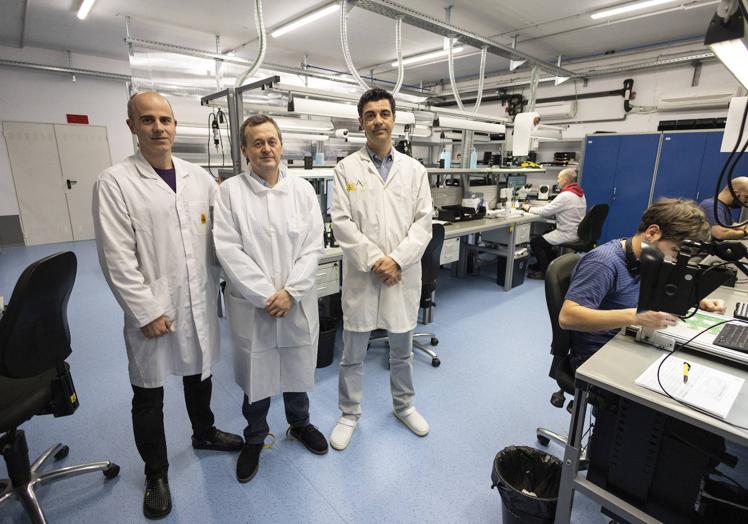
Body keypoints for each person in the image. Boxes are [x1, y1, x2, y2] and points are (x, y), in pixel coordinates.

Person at [92, 92, 242, 519]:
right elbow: (115, 257)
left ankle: (204, 432)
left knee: (200, 374)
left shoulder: (200, 178)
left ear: (176, 126)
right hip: (153, 306)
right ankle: (156, 472)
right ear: (132, 127)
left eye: (166, 120)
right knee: (149, 391)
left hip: (197, 298)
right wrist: (145, 310)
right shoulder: (115, 182)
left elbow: (222, 237)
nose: (159, 127)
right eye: (148, 120)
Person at [212, 115, 328, 483]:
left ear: (281, 146)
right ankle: (255, 437)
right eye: (257, 143)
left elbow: (313, 246)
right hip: (254, 306)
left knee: (296, 368)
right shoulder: (230, 192)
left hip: (295, 301)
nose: (266, 148)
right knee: (256, 375)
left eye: (271, 141)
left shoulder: (303, 191)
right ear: (245, 150)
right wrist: (266, 295)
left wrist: (291, 292)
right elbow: (228, 250)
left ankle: (300, 423)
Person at [329, 88, 433, 451]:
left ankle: (404, 406)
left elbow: (424, 224)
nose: (378, 120)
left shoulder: (415, 171)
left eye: (384, 113)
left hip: (401, 275)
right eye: (370, 114)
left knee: (401, 350)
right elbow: (340, 222)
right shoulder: (345, 170)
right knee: (352, 352)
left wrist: (397, 260)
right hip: (364, 274)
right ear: (361, 122)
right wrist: (376, 260)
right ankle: (349, 413)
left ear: (394, 119)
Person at [558, 198, 725, 370]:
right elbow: (568, 317)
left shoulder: (647, 258)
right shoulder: (604, 262)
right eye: (675, 251)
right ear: (652, 233)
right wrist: (635, 317)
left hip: (626, 338)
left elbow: (657, 289)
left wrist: (694, 299)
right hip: (594, 356)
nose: (676, 260)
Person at [522, 168, 586, 278]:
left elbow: (545, 211)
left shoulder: (565, 195)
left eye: (559, 179)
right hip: (576, 230)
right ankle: (546, 265)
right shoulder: (579, 193)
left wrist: (527, 208)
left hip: (567, 233)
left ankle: (545, 272)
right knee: (546, 234)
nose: (557, 181)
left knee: (535, 242)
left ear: (565, 180)